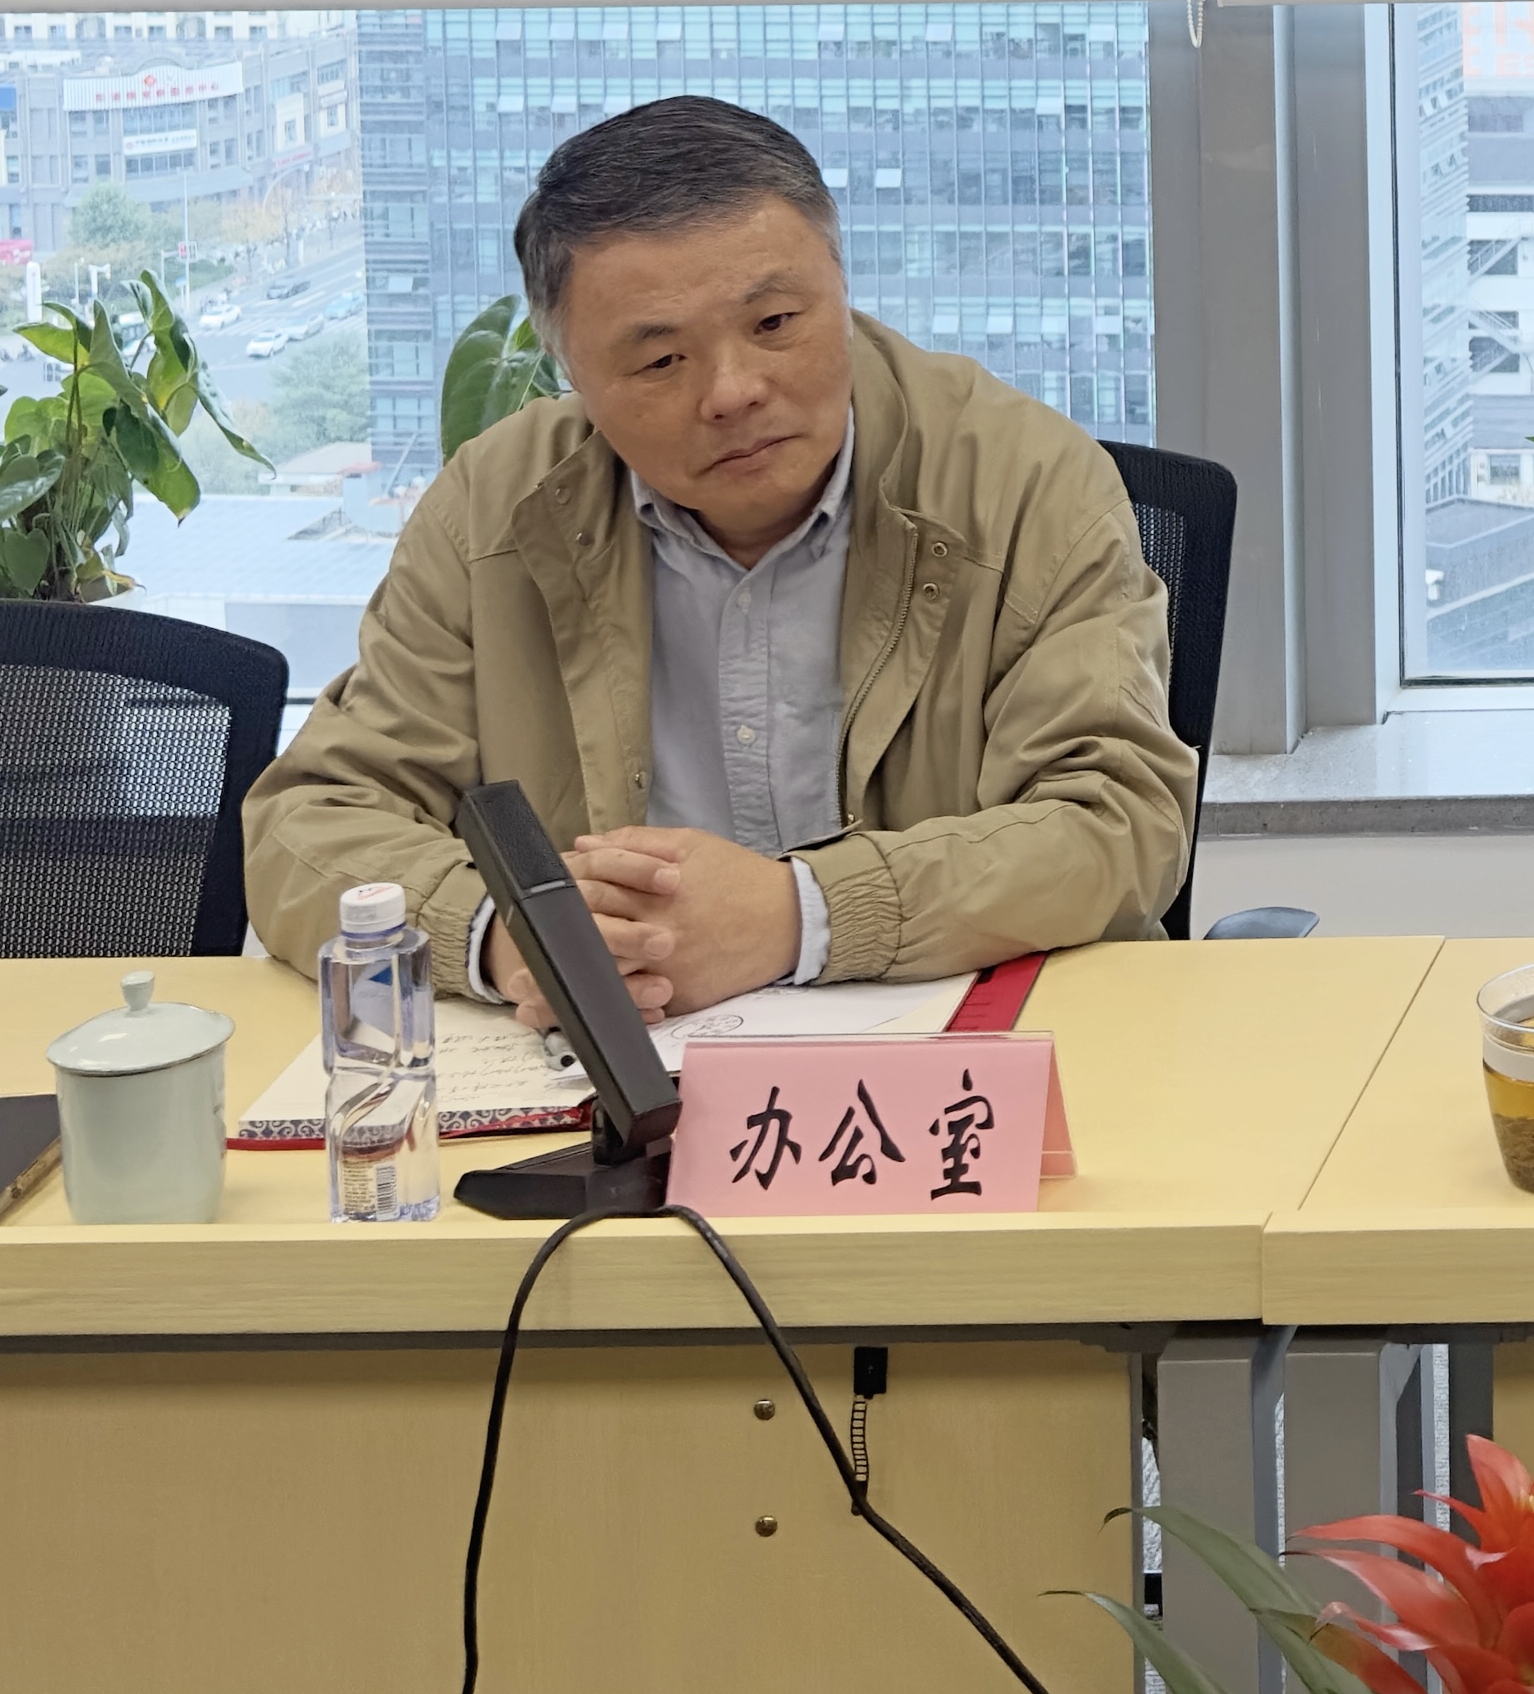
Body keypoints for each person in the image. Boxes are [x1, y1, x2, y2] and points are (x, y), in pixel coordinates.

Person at [245, 95, 1194, 1022]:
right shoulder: (492, 509)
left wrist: (799, 915)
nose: (733, 392)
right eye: (662, 362)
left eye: (775, 323)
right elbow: (311, 824)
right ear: (572, 374)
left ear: (841, 288)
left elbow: (1117, 820)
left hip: (945, 1058)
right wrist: (504, 936)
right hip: (616, 1063)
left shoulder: (1025, 479)